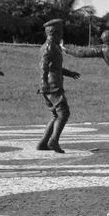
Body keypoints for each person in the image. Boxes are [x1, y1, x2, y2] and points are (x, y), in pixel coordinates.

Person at [37, 19, 82, 153]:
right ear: (56, 31)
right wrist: (44, 82)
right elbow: (44, 66)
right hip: (52, 85)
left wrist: (69, 73)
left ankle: (43, 143)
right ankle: (53, 140)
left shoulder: (52, 46)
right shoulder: (49, 46)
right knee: (63, 112)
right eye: (61, 30)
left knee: (56, 115)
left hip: (51, 84)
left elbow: (55, 66)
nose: (63, 33)